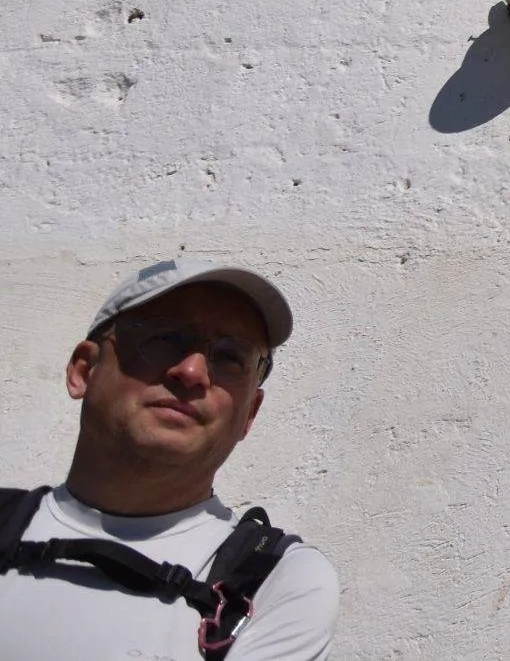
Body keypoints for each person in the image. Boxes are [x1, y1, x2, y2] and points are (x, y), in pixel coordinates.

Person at [0, 258, 338, 660]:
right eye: (163, 337)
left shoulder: (276, 584)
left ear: (250, 413)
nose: (192, 371)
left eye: (231, 357)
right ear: (84, 370)